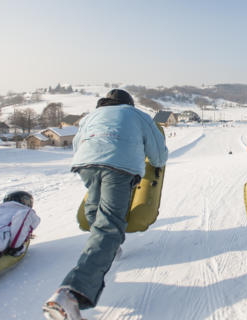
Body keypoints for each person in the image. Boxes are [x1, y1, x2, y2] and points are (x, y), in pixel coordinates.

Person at [43, 89, 168, 320]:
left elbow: (77, 144)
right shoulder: (137, 115)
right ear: (128, 103)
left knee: (95, 209)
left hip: (85, 164)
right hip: (119, 168)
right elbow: (158, 154)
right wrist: (154, 163)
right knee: (109, 226)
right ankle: (71, 292)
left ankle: (111, 247)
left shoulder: (92, 116)